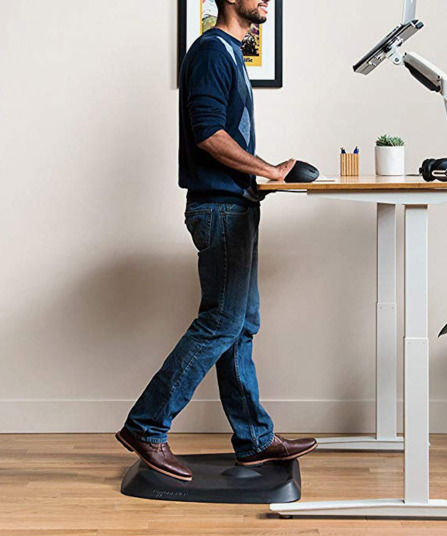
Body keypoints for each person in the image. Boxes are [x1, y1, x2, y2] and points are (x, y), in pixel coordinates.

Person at [115, 0, 317, 481]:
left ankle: (254, 440)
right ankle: (146, 426)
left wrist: (266, 173)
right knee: (222, 321)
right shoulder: (210, 50)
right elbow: (208, 134)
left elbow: (227, 136)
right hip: (219, 208)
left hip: (236, 204)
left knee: (240, 324)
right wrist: (267, 169)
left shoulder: (230, 51)